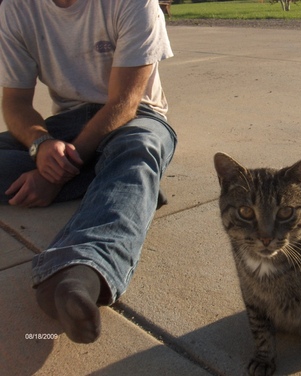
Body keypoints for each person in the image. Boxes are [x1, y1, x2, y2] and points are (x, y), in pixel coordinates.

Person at [0, 0, 177, 343]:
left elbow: (124, 101)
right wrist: (42, 147)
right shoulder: (16, 7)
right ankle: (124, 184)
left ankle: (82, 272)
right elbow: (15, 102)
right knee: (129, 170)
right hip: (65, 124)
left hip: (137, 118)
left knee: (140, 150)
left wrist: (57, 173)